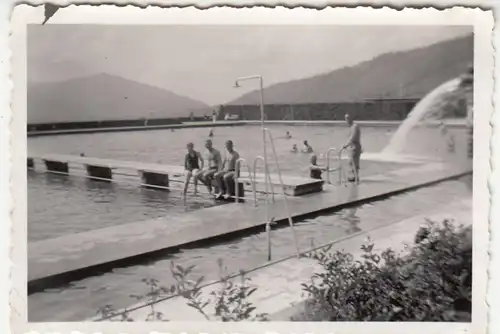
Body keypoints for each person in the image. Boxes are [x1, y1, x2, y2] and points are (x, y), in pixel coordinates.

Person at [341, 113, 362, 183]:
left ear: (350, 119)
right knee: (351, 162)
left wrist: (346, 145)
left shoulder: (355, 126)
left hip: (355, 147)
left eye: (347, 119)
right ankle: (354, 176)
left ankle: (356, 177)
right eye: (345, 119)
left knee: (353, 162)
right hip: (352, 147)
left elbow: (353, 138)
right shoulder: (351, 127)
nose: (346, 121)